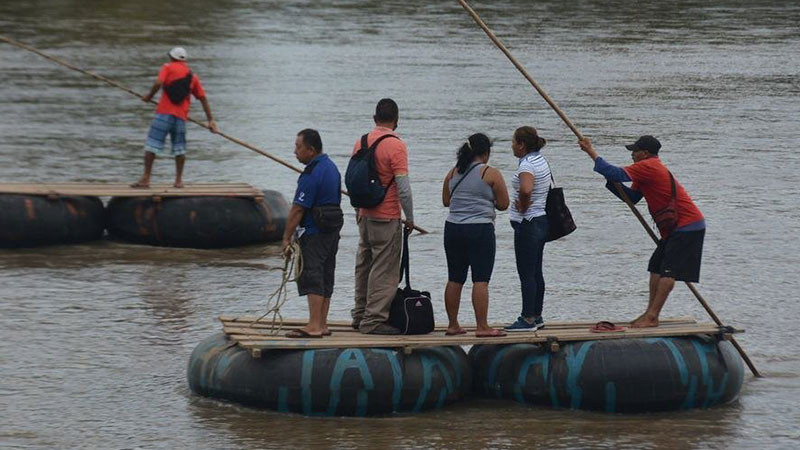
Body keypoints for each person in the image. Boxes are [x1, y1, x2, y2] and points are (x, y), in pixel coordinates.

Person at [578, 135, 705, 328]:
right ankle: (650, 313)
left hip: (687, 226)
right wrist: (610, 179)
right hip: (673, 229)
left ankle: (652, 316)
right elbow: (632, 197)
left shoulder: (649, 166)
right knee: (655, 267)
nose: (632, 155)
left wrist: (590, 151)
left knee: (668, 272)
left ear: (644, 153)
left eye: (634, 152)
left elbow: (616, 172)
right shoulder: (645, 171)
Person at [351, 98, 414, 335]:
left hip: (364, 214)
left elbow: (356, 179)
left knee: (364, 266)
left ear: (374, 118)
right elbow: (403, 188)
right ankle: (374, 320)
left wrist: (358, 211)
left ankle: (359, 314)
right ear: (396, 121)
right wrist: (410, 217)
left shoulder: (361, 141)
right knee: (385, 269)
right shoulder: (396, 145)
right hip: (386, 216)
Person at [441, 133, 509, 337]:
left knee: (455, 278)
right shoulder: (490, 173)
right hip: (480, 229)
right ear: (485, 153)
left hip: (452, 229)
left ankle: (453, 325)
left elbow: (446, 201)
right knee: (480, 279)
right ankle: (482, 327)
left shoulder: (452, 173)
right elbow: (504, 204)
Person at [282, 129, 342, 338]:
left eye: (298, 147)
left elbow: (298, 209)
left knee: (313, 274)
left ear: (311, 149)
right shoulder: (332, 168)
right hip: (332, 231)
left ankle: (314, 325)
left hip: (315, 232)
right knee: (326, 274)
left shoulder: (311, 174)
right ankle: (322, 323)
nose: (295, 151)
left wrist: (286, 238)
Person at [132, 47, 218, 189]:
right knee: (180, 149)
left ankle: (146, 179)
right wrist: (211, 120)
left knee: (152, 146)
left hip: (163, 114)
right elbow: (203, 98)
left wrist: (149, 96)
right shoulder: (193, 76)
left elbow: (159, 83)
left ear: (171, 58)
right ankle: (178, 181)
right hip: (180, 118)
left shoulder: (167, 67)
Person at [505, 126, 552, 332]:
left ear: (522, 145)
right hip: (541, 219)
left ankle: (527, 318)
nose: (512, 146)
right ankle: (537, 314)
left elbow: (526, 188)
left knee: (526, 273)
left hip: (528, 222)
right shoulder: (540, 160)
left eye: (514, 142)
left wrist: (523, 206)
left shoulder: (527, 165)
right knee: (536, 271)